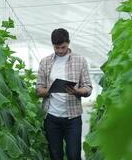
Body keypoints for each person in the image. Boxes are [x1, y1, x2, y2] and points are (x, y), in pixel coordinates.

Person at [36, 28, 92, 160]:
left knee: (74, 155)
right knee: (55, 155)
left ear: (69, 43)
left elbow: (88, 87)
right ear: (53, 45)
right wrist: (48, 91)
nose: (60, 51)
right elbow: (38, 88)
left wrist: (78, 91)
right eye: (57, 48)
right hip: (51, 117)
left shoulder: (80, 61)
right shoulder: (45, 62)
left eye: (63, 47)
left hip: (73, 118)